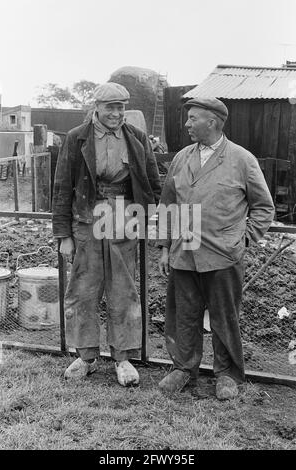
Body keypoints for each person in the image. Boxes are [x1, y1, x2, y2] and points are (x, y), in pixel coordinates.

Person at [157, 97, 275, 399]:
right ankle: (184, 368)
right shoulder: (182, 158)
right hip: (184, 252)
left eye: (193, 118)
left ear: (213, 121)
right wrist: (162, 246)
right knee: (183, 315)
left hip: (223, 255)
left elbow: (264, 207)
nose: (186, 124)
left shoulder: (242, 159)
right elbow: (167, 204)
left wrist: (243, 239)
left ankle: (228, 375)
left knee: (224, 317)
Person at [52, 82, 161, 386]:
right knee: (83, 290)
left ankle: (123, 359)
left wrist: (147, 218)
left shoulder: (137, 138)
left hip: (124, 221)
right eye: (111, 107)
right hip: (86, 222)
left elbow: (151, 182)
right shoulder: (77, 138)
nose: (116, 113)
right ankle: (85, 357)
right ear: (97, 107)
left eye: (121, 107)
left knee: (123, 291)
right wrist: (64, 235)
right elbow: (62, 188)